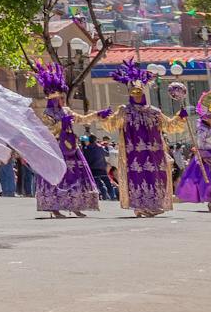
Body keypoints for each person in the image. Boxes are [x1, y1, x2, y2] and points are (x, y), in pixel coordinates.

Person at [95, 62, 186, 218]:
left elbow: (169, 126)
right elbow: (111, 125)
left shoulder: (154, 111)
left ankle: (153, 205)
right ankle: (139, 206)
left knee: (155, 177)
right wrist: (103, 117)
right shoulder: (124, 111)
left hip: (154, 154)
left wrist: (180, 117)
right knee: (138, 178)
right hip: (134, 154)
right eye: (133, 91)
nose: (136, 94)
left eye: (139, 91)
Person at [32, 65, 100, 218]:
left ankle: (75, 205)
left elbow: (82, 119)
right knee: (58, 177)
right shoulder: (46, 114)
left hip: (71, 148)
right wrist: (61, 124)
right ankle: (54, 208)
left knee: (74, 175)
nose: (59, 100)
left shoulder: (67, 111)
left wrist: (98, 114)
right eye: (56, 98)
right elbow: (48, 132)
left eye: (60, 98)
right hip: (56, 148)